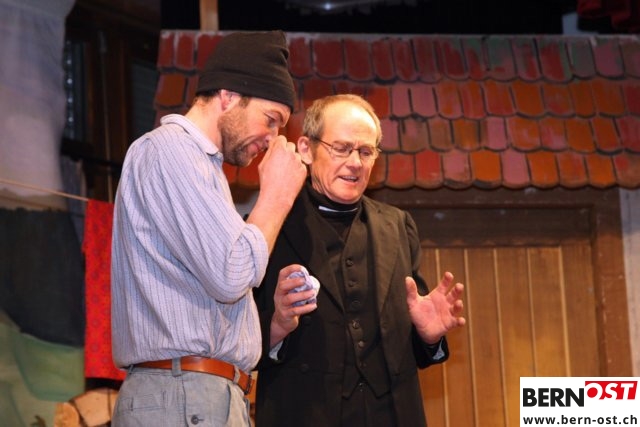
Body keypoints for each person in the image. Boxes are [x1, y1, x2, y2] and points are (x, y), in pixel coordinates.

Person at [110, 30, 307, 427]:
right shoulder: (170, 150)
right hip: (183, 395)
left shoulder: (205, 168)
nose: (272, 139)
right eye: (270, 120)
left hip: (197, 395)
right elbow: (231, 274)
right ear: (229, 96)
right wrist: (277, 196)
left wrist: (272, 326)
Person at [252, 94, 466, 427]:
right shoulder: (268, 227)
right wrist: (277, 323)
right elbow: (235, 337)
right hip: (303, 414)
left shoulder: (397, 226)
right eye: (341, 148)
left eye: (366, 152)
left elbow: (410, 345)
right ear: (306, 148)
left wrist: (428, 336)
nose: (355, 162)